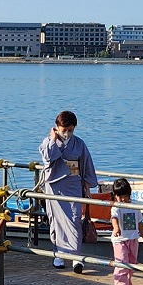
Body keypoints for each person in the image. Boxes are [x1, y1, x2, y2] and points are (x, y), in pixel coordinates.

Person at [38, 111, 98, 271]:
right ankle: (58, 255)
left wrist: (87, 187)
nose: (67, 133)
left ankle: (76, 258)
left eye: (70, 130)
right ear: (57, 128)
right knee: (55, 221)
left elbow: (86, 165)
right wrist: (53, 139)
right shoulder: (48, 142)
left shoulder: (79, 144)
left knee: (74, 220)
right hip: (54, 187)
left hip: (73, 185)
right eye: (64, 130)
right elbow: (48, 157)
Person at [108, 177, 143, 285]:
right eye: (120, 196)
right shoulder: (116, 208)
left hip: (133, 239)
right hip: (120, 240)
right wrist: (116, 227)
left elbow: (140, 223)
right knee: (121, 263)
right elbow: (114, 219)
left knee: (132, 263)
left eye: (125, 196)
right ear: (115, 196)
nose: (123, 199)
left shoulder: (134, 206)